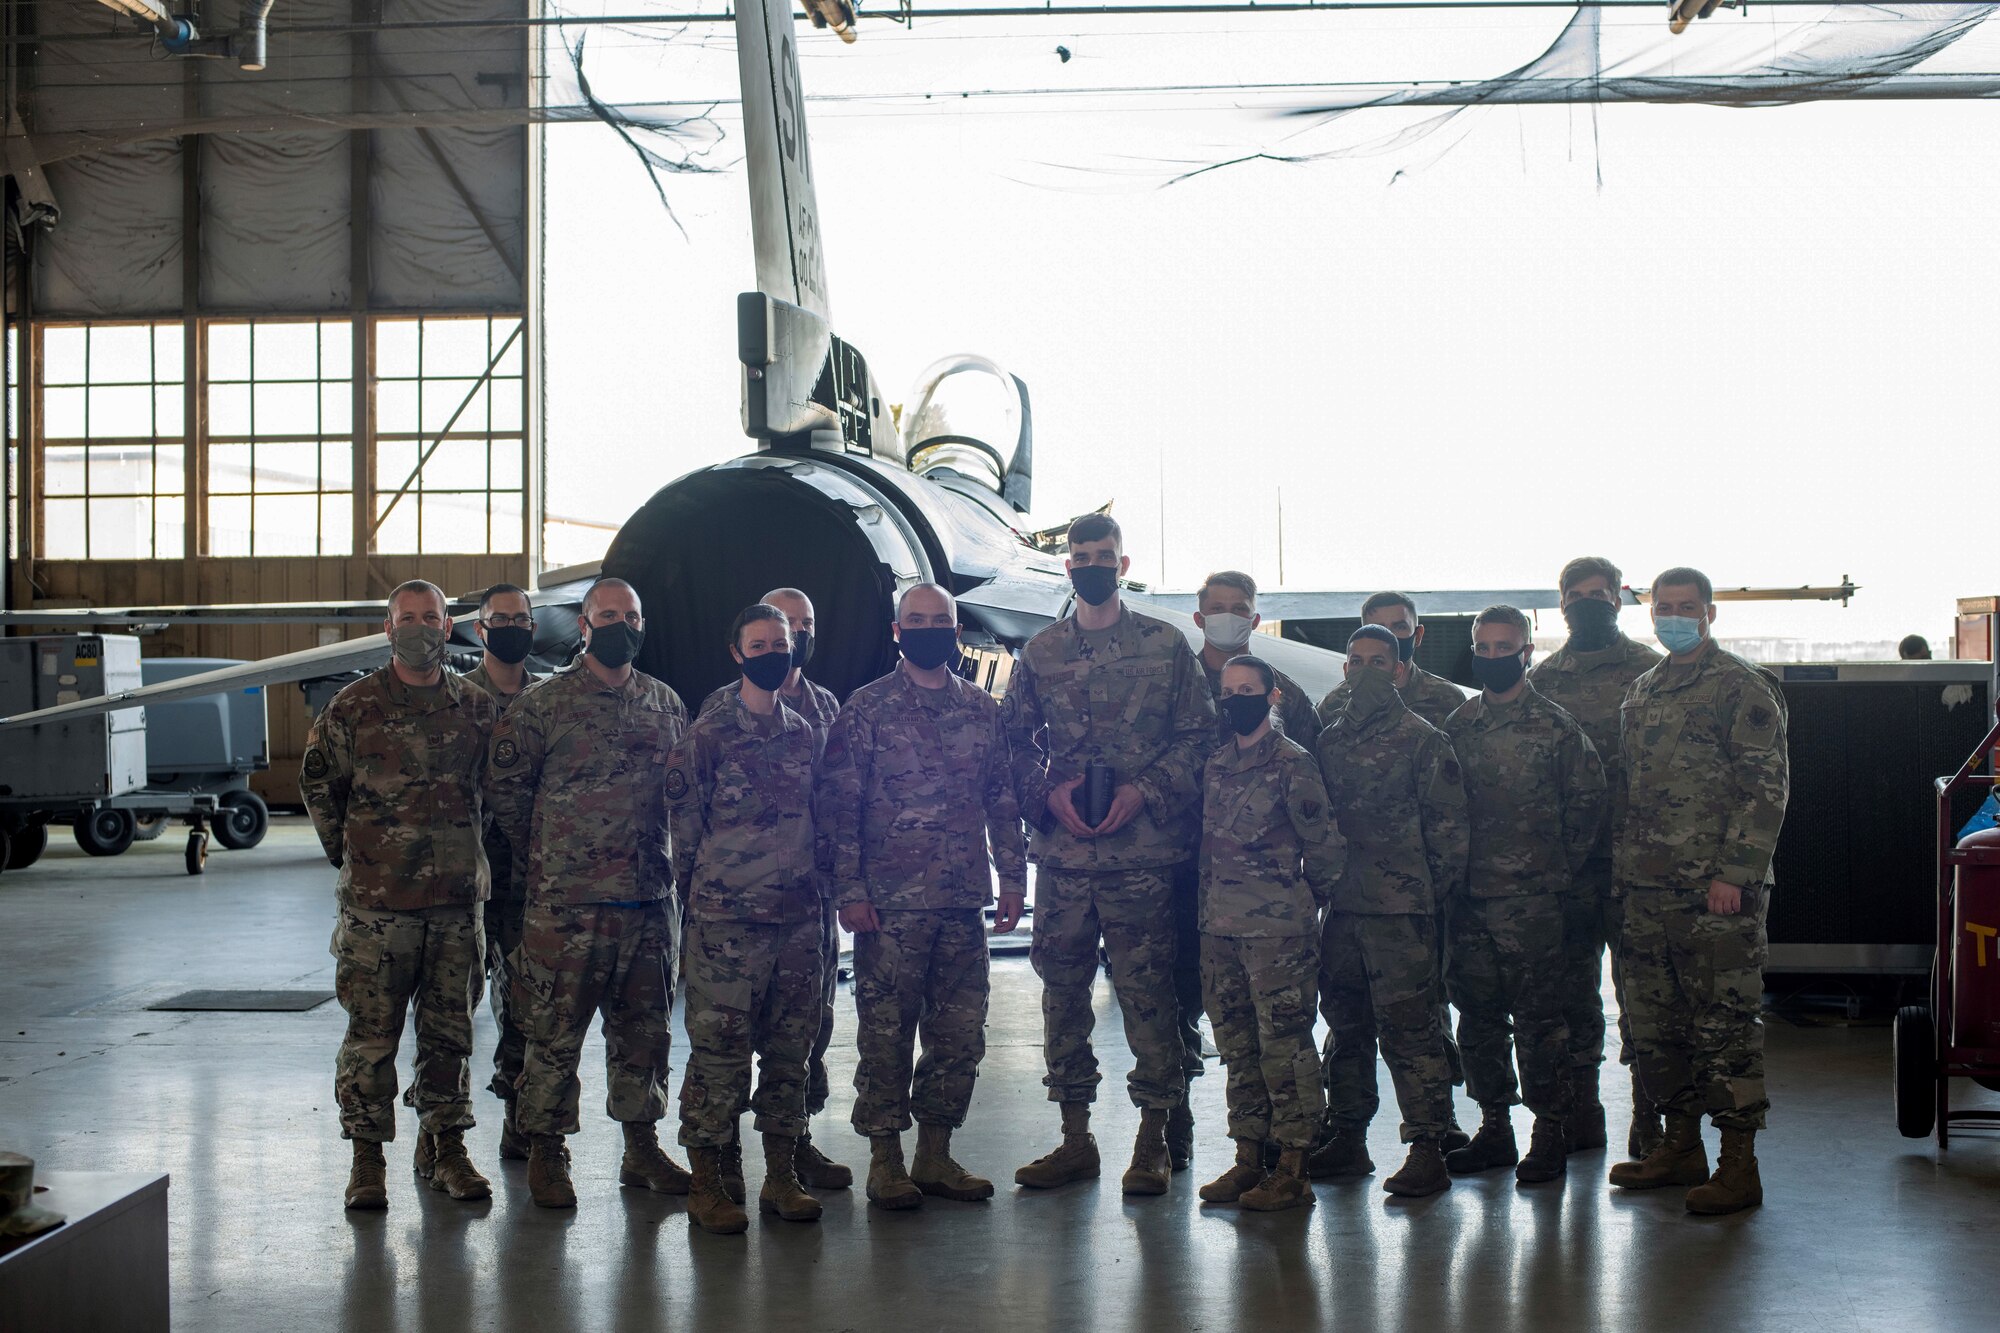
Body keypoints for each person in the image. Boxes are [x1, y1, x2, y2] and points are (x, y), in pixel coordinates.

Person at [1007, 513, 1216, 1197]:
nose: (1090, 564)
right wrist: (1049, 792)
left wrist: (1145, 791)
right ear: (1067, 566)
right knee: (1062, 998)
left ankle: (1154, 1136)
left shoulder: (1165, 646)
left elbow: (1198, 738)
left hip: (1143, 859)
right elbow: (1012, 746)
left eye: (1103, 555)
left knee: (1148, 1000)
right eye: (1079, 555)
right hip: (1066, 861)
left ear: (1123, 565)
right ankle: (1074, 1137)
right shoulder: (1041, 652)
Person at [818, 583, 1028, 1210]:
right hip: (889, 906)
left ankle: (934, 1154)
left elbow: (1003, 800)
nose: (930, 629)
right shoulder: (867, 710)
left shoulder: (980, 710)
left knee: (959, 1034)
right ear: (897, 630)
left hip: (963, 899)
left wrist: (1013, 878)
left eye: (942, 621)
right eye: (918, 620)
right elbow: (841, 809)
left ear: (956, 630)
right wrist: (849, 892)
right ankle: (885, 1160)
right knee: (887, 1033)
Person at [485, 577, 689, 1210]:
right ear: (583, 625)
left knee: (644, 1034)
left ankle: (641, 1148)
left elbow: (680, 798)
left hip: (647, 902)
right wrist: (553, 857)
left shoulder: (664, 703)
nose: (619, 624)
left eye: (630, 615)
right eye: (607, 615)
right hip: (565, 907)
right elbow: (508, 797)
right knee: (552, 1035)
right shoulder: (543, 706)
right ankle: (547, 1149)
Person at [301, 579, 497, 1210]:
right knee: (372, 1037)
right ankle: (366, 1159)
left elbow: (496, 794)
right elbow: (318, 788)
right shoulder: (353, 708)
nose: (419, 628)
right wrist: (357, 858)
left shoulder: (475, 707)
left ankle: (447, 1149)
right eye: (406, 618)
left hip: (453, 908)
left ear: (449, 627)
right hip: (378, 911)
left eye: (430, 617)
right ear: (388, 629)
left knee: (451, 1036)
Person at [1610, 567, 1790, 1216]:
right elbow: (1629, 794)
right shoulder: (1643, 689)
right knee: (1656, 1029)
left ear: (1710, 614)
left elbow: (1765, 788)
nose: (1674, 616)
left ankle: (1739, 1166)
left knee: (1724, 1029)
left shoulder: (1739, 687)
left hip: (1715, 895)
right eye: (1664, 607)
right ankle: (1680, 1146)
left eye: (1687, 607)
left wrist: (1735, 874)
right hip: (1646, 892)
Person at [667, 603, 828, 1234]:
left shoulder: (803, 732)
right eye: (758, 644)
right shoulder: (707, 736)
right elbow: (684, 835)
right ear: (737, 653)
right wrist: (703, 910)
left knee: (791, 1054)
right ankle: (709, 1181)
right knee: (719, 1057)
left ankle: (780, 1178)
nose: (771, 652)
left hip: (797, 923)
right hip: (725, 925)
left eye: (780, 642)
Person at [1441, 606, 1605, 1185]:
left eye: (1503, 646)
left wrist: (1550, 874)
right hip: (1470, 904)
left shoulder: (1558, 730)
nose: (1493, 656)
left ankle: (1550, 1132)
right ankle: (1494, 1129)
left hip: (1534, 905)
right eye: (1483, 648)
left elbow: (1587, 813)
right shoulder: (1458, 728)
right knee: (1479, 1021)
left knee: (1541, 1025)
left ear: (1528, 650)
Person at [698, 586, 849, 1191]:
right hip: (731, 913)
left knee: (803, 1036)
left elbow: (833, 804)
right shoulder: (715, 718)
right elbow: (689, 823)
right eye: (768, 636)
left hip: (803, 906)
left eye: (795, 631)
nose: (783, 644)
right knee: (724, 1044)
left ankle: (792, 1153)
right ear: (739, 649)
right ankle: (719, 1165)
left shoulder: (818, 715)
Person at [1309, 625, 1467, 1198]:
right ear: (1344, 669)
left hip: (1402, 915)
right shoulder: (1329, 741)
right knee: (1346, 1030)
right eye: (1356, 661)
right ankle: (1348, 1137)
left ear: (1400, 670)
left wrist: (1423, 899)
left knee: (1411, 1032)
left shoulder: (1423, 739)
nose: (1366, 671)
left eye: (1379, 661)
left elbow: (1450, 835)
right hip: (1345, 913)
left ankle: (1428, 1146)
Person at [1195, 656, 1345, 1212]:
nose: (1236, 699)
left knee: (1285, 1047)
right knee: (1236, 1046)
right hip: (1221, 930)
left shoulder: (1292, 764)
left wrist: (1303, 904)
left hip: (1277, 935)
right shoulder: (1215, 765)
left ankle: (1294, 1165)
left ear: (1272, 697)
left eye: (1247, 690)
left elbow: (1326, 848)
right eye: (1228, 691)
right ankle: (1247, 1158)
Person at [1528, 556, 1666, 1157]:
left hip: (1638, 862)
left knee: (1643, 995)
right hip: (1569, 866)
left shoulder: (1652, 672)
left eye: (1600, 593)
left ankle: (1650, 1117)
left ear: (1619, 598)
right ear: (1562, 604)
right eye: (1577, 594)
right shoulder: (1544, 680)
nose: (1589, 602)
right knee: (1570, 994)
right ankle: (1581, 1110)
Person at [458, 582, 542, 1161]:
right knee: (449, 1010)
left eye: (522, 618)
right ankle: (441, 1133)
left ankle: (519, 1116)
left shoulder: (553, 699)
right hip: (464, 878)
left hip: (532, 878)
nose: (512, 626)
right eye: (500, 618)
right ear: (480, 628)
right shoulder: (457, 699)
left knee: (524, 1003)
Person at [1314, 591, 1468, 730]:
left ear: (1418, 635)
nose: (1389, 637)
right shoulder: (1334, 704)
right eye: (1379, 629)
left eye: (1399, 627)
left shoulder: (1447, 700)